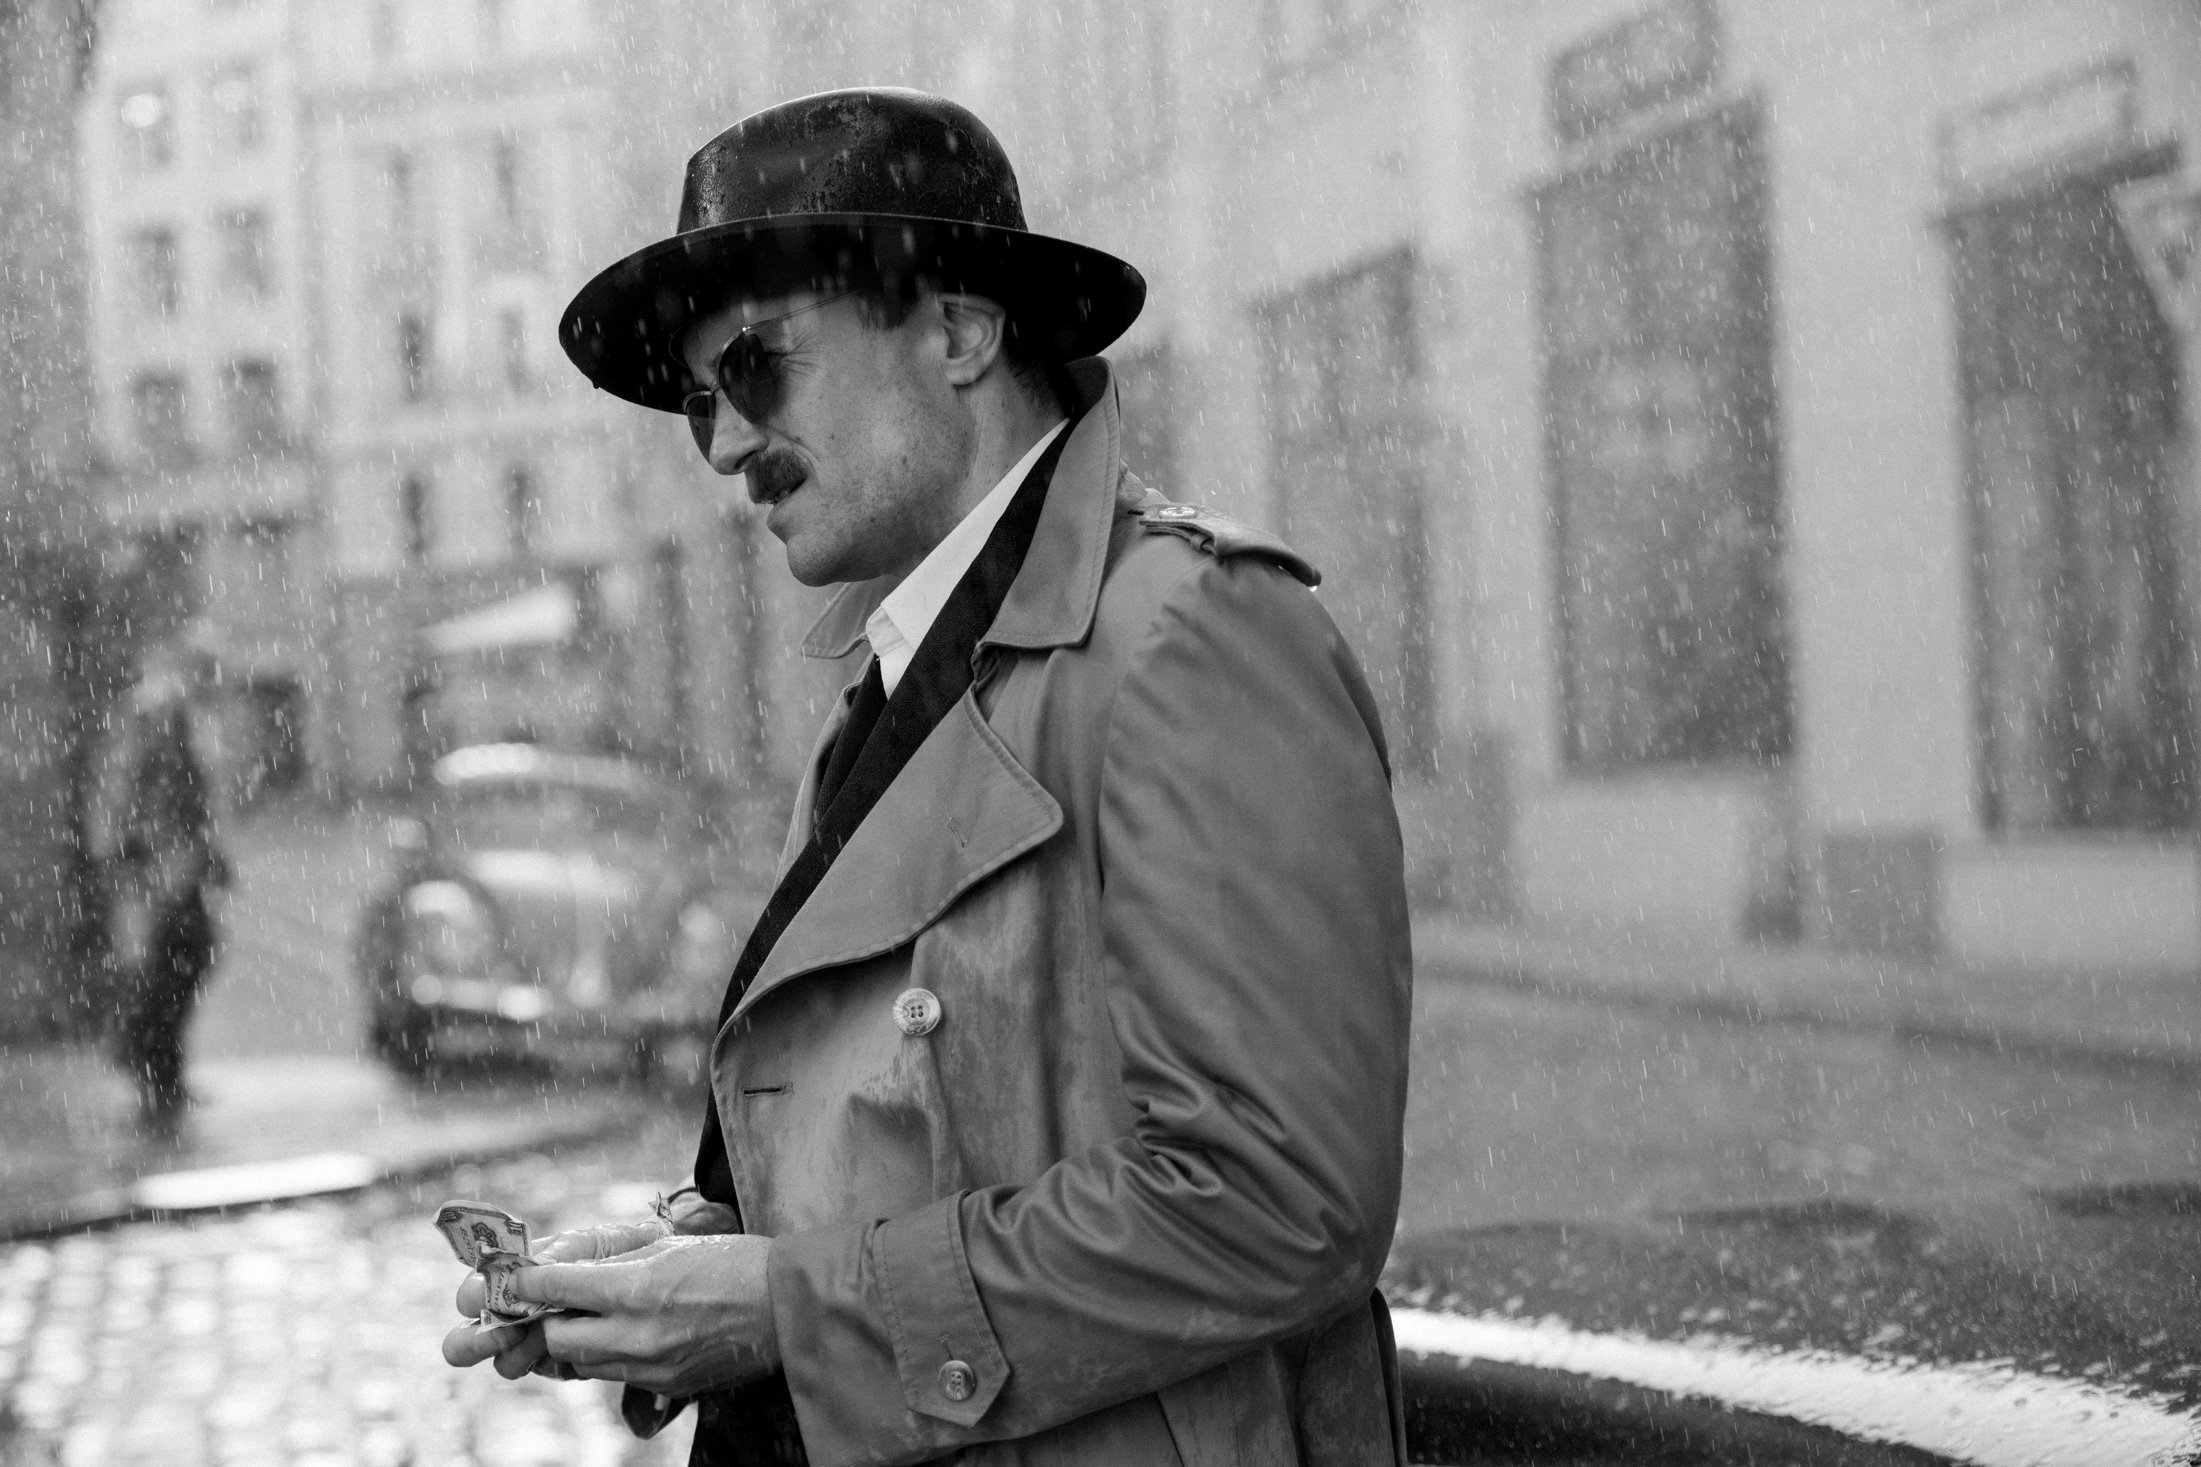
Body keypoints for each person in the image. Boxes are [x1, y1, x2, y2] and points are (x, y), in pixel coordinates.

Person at [442, 88, 1414, 1467]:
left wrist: (783, 1311)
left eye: (755, 368)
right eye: (699, 401)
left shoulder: (1191, 634)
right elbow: (941, 1138)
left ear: (959, 329)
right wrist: (691, 1258)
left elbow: (1275, 1205)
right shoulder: (897, 676)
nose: (724, 445)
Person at [107, 668, 230, 1130]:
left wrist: (207, 860)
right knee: (171, 972)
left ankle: (160, 1068)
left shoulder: (176, 767)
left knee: (179, 969)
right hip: (167, 891)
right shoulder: (157, 768)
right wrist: (154, 868)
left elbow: (193, 821)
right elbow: (143, 825)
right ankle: (155, 1069)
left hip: (178, 887)